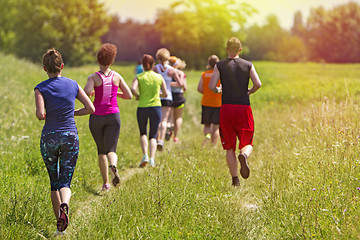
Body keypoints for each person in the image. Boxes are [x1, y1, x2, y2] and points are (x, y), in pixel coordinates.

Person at [34, 49, 95, 235]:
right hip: (70, 136)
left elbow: (40, 115)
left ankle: (60, 230)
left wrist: (48, 114)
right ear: (62, 66)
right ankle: (65, 205)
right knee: (65, 181)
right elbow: (90, 108)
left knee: (54, 182)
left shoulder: (40, 88)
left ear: (45, 68)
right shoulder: (73, 84)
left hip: (49, 138)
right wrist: (73, 113)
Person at [209, 37, 261, 187]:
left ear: (227, 49)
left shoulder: (219, 66)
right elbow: (258, 84)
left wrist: (219, 90)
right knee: (248, 141)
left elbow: (212, 86)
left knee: (229, 146)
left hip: (226, 108)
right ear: (240, 49)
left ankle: (235, 180)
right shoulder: (248, 65)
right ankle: (244, 155)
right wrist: (250, 91)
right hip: (244, 108)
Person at [84, 43, 132, 192]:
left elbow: (86, 92)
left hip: (97, 117)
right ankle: (114, 165)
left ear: (98, 60)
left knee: (101, 150)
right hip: (113, 116)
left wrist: (93, 93)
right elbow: (129, 95)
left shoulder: (93, 77)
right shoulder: (117, 76)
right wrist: (115, 92)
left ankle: (106, 183)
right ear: (111, 61)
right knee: (111, 149)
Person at [131, 54, 168, 167]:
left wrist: (137, 95)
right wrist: (158, 94)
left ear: (142, 65)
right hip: (155, 107)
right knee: (153, 135)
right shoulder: (159, 77)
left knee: (143, 133)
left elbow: (132, 88)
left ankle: (145, 155)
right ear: (153, 65)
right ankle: (152, 159)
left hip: (142, 107)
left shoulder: (139, 76)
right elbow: (165, 94)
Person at [153, 48, 183, 150]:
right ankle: (161, 140)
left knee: (157, 119)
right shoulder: (172, 70)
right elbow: (180, 83)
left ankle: (156, 139)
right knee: (164, 120)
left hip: (157, 96)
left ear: (158, 57)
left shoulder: (155, 68)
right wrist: (168, 83)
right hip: (168, 96)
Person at [197, 55, 221, 147]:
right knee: (216, 128)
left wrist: (207, 93)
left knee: (207, 126)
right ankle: (213, 146)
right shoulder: (220, 75)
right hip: (218, 103)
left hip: (206, 103)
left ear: (209, 64)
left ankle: (207, 135)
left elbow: (199, 88)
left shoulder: (204, 74)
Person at [168, 56, 187, 143]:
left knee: (170, 117)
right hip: (179, 96)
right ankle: (175, 137)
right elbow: (184, 86)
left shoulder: (167, 72)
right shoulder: (181, 73)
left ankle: (169, 130)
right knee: (178, 117)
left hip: (169, 95)